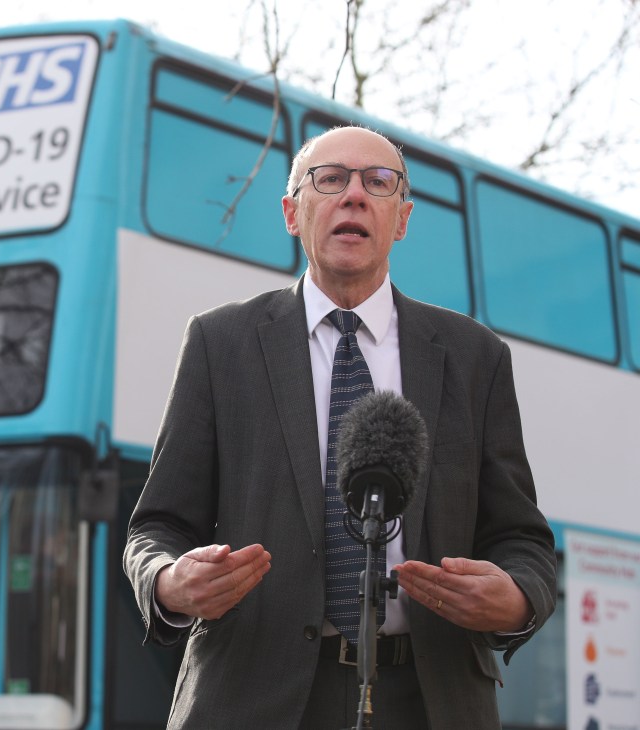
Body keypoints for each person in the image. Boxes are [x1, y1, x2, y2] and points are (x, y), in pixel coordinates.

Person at [123, 126, 557, 729]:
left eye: (378, 183)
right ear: (292, 213)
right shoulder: (219, 344)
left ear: (400, 220)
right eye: (330, 179)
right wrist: (169, 581)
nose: (354, 196)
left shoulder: (474, 356)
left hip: (429, 701)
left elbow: (524, 540)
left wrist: (515, 599)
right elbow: (157, 526)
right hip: (252, 697)